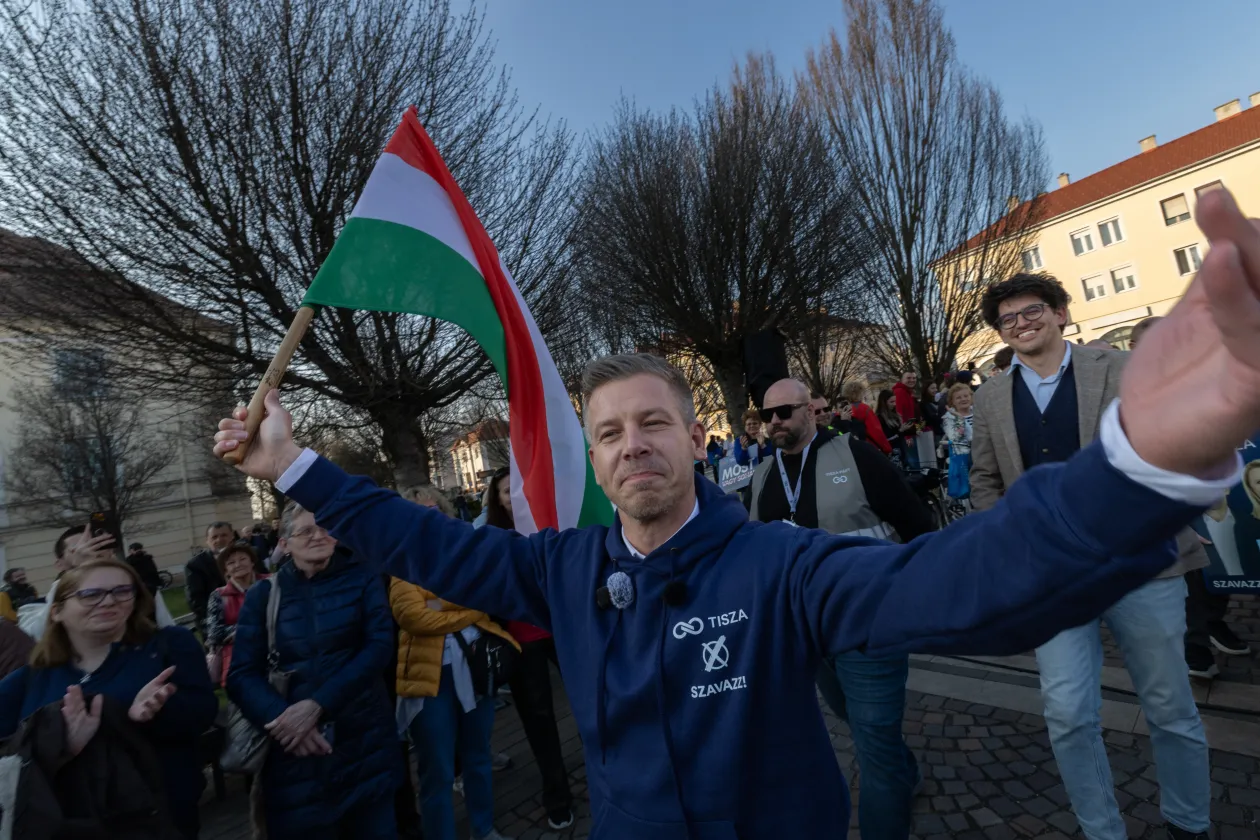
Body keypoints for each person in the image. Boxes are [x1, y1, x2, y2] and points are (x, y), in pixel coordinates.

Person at [214, 186, 1260, 840]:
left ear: (696, 436)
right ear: (597, 452)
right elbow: (422, 539)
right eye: (611, 431)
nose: (634, 445)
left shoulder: (781, 565)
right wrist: (296, 464)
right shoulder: (558, 572)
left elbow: (960, 586)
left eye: (655, 423)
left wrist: (1135, 465)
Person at [970, 273, 1216, 840]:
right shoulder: (989, 396)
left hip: (1142, 564)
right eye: (1008, 319)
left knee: (1169, 704)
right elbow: (984, 480)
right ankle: (1102, 829)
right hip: (1053, 578)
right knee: (1066, 714)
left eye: (1032, 311)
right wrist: (1005, 540)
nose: (1021, 324)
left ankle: (1189, 822)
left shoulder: (1123, 369)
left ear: (1060, 313)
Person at [750, 379, 934, 840]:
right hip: (809, 635)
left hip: (868, 625)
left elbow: (918, 526)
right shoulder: (762, 477)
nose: (776, 421)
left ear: (811, 410)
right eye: (767, 413)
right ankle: (906, 770)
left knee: (872, 745)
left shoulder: (856, 455)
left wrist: (918, 597)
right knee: (859, 723)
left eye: (786, 411)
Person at [0, 559, 217, 839]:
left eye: (121, 591)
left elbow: (203, 713)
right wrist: (58, 743)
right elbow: (9, 753)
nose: (108, 601)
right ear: (56, 612)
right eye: (90, 594)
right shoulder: (31, 678)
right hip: (67, 824)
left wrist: (156, 711)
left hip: (160, 817)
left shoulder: (168, 645)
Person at [226, 502, 400, 840]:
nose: (318, 536)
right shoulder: (264, 596)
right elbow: (241, 674)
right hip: (294, 753)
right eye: (305, 530)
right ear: (285, 542)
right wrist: (285, 720)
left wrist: (318, 704)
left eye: (325, 528)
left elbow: (378, 647)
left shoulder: (363, 578)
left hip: (363, 741)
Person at [392, 486, 519, 840]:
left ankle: (484, 828)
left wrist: (443, 606)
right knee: (438, 770)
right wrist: (465, 609)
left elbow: (484, 594)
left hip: (478, 668)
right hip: (431, 679)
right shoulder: (401, 559)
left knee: (478, 757)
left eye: (435, 508)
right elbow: (412, 616)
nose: (430, 515)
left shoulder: (463, 551)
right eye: (421, 511)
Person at [1130, 315, 1254, 675]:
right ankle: (1194, 643)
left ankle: (1213, 623)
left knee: (1222, 565)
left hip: (1219, 495)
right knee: (1187, 576)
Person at [485, 467, 576, 830]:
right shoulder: (492, 538)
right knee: (539, 721)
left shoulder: (548, 521)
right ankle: (557, 794)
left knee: (590, 701)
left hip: (563, 631)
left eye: (519, 489)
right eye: (507, 491)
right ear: (498, 499)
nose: (514, 496)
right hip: (522, 643)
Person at [21, 526, 176, 638]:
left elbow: (170, 634)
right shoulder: (36, 608)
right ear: (59, 564)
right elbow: (38, 635)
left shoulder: (145, 592)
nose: (91, 552)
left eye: (97, 544)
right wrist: (79, 570)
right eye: (77, 549)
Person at [204, 543, 267, 688]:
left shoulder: (271, 583)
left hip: (276, 655)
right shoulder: (218, 596)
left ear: (252, 562)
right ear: (225, 570)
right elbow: (215, 633)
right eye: (231, 562)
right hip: (238, 662)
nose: (238, 564)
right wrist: (257, 628)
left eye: (242, 559)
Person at [185, 521, 233, 635]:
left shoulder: (246, 556)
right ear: (207, 540)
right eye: (214, 537)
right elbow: (196, 600)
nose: (219, 540)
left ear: (232, 536)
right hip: (215, 623)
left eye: (224, 535)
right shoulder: (195, 565)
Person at [842, 381, 892, 455]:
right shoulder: (865, 409)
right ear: (860, 393)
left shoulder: (844, 410)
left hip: (855, 449)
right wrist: (887, 448)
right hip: (871, 447)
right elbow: (876, 430)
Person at [876, 388, 912, 464]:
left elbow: (900, 433)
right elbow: (887, 438)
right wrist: (900, 431)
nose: (894, 404)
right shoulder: (880, 418)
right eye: (891, 402)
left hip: (902, 449)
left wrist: (909, 429)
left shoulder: (895, 414)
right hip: (893, 453)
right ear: (884, 403)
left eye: (895, 401)